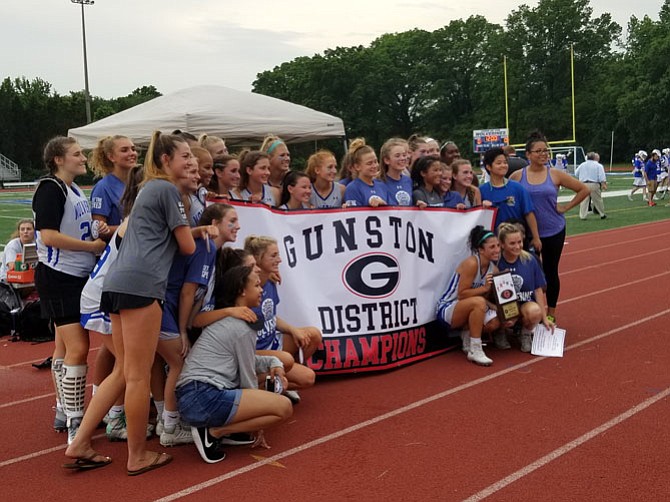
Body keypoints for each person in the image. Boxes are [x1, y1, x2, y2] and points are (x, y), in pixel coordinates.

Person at [99, 131, 217, 475]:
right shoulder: (166, 190)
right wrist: (195, 229)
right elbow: (187, 248)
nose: (192, 162)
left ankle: (79, 443)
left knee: (126, 371)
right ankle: (137, 455)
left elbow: (166, 236)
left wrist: (192, 230)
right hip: (142, 287)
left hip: (117, 285)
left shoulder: (148, 189)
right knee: (136, 377)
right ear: (166, 160)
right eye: (185, 157)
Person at [176, 265, 293, 464]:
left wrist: (274, 362)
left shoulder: (232, 320)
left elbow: (248, 360)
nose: (262, 290)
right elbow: (248, 380)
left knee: (273, 384)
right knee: (284, 408)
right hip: (203, 396)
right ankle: (214, 432)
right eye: (256, 285)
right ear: (241, 290)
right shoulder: (240, 326)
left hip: (195, 395)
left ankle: (219, 430)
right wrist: (258, 426)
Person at [32, 137, 107, 443]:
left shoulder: (74, 189)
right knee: (78, 347)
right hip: (59, 275)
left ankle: (64, 409)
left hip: (74, 274)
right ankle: (77, 425)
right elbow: (49, 236)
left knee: (63, 348)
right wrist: (90, 246)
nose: (84, 158)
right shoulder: (51, 188)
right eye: (77, 154)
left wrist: (96, 231)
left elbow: (73, 225)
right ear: (58, 159)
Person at [510, 131, 589, 322]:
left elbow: (583, 189)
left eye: (546, 150)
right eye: (538, 151)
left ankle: (551, 314)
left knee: (551, 271)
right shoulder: (517, 176)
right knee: (528, 274)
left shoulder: (555, 174)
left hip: (554, 230)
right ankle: (532, 313)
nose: (544, 154)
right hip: (528, 233)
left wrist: (566, 207)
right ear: (528, 154)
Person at [244, 235, 319, 401]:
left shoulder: (270, 281)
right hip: (254, 351)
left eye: (278, 255)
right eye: (273, 255)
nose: (279, 260)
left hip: (273, 343)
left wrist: (293, 330)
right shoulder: (246, 290)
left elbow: (271, 316)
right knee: (289, 362)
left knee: (312, 336)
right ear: (257, 259)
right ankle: (259, 389)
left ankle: (277, 382)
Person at [436, 225, 501, 366]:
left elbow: (484, 296)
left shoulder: (493, 269)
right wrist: (484, 288)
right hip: (448, 309)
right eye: (492, 247)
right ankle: (475, 349)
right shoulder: (472, 263)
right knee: (478, 303)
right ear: (481, 250)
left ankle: (467, 334)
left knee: (494, 322)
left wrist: (495, 306)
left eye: (498, 245)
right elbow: (462, 294)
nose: (497, 250)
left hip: (470, 305)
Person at [495, 223, 554, 352]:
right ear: (502, 244)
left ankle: (525, 333)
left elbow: (538, 290)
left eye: (519, 242)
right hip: (503, 307)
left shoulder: (530, 260)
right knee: (494, 318)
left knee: (535, 311)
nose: (517, 246)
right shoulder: (496, 262)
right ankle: (500, 331)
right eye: (512, 243)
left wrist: (544, 318)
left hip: (524, 305)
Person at [479, 147, 542, 251]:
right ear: (489, 167)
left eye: (505, 162)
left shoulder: (517, 188)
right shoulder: (481, 191)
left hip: (516, 242)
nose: (503, 165)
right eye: (499, 163)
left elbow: (529, 213)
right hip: (494, 243)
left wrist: (536, 237)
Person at [89, 135, 137, 238]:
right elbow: (98, 230)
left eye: (133, 149)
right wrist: (132, 227)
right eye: (124, 150)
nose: (132, 153)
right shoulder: (103, 188)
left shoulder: (140, 182)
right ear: (111, 157)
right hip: (119, 251)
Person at [343, 139, 389, 207]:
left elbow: (391, 210)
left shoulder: (382, 186)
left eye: (375, 161)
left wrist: (383, 203)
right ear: (357, 166)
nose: (374, 166)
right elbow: (355, 214)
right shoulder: (353, 188)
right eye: (369, 163)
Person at [379, 138, 412, 206]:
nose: (402, 158)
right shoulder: (379, 182)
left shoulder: (408, 180)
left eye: (404, 155)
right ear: (387, 160)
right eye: (397, 156)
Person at [574, 152, 607, 220]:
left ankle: (583, 216)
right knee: (598, 200)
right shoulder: (598, 165)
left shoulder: (582, 165)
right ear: (594, 158)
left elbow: (576, 173)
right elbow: (601, 176)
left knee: (584, 201)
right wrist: (603, 184)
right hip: (594, 184)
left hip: (583, 184)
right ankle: (602, 214)